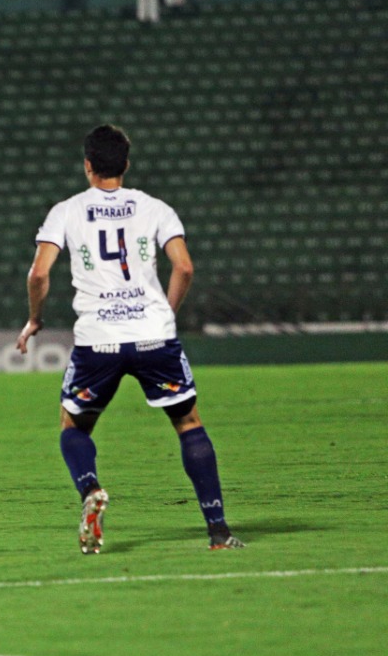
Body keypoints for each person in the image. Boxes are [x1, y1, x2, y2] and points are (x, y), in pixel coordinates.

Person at [16, 125, 243, 553]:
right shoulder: (156, 208)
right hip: (153, 336)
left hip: (97, 339)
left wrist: (34, 319)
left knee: (74, 425)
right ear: (126, 164)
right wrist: (163, 314)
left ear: (87, 166)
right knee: (188, 424)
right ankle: (218, 530)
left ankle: (90, 491)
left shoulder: (65, 211)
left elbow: (39, 274)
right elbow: (185, 268)